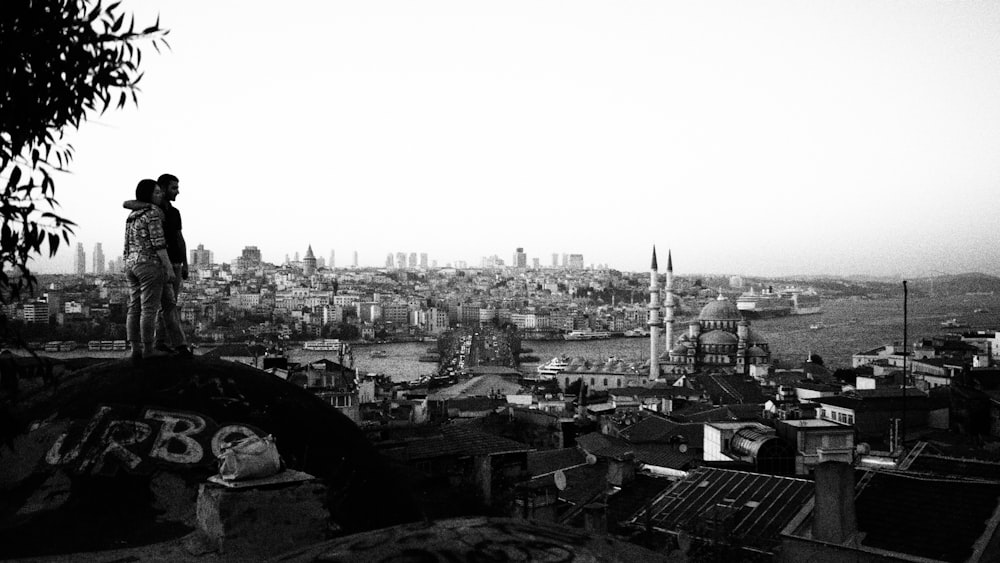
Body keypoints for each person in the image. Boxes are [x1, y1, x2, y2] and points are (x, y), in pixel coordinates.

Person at [123, 179, 175, 360]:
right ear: (149, 196)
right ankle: (148, 349)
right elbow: (159, 244)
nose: (161, 195)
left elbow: (127, 244)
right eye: (157, 192)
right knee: (149, 309)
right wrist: (169, 268)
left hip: (131, 264)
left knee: (134, 307)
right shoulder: (153, 213)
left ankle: (134, 349)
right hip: (149, 264)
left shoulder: (132, 215)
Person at [154, 173, 191, 357]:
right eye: (174, 188)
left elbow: (179, 238)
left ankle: (161, 342)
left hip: (175, 263)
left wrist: (185, 264)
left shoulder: (174, 212)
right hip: (160, 264)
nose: (178, 191)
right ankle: (171, 344)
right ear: (163, 188)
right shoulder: (152, 210)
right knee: (167, 305)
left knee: (169, 304)